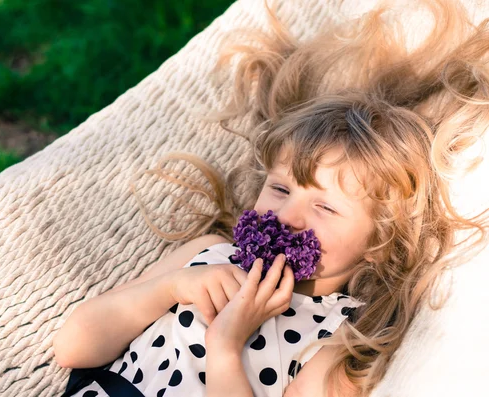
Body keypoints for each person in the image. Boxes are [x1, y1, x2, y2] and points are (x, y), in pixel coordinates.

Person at [53, 0, 489, 396]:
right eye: (279, 188)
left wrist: (226, 346)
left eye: (325, 207)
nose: (288, 215)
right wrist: (170, 287)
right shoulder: (209, 254)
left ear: (378, 241)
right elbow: (73, 347)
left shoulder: (339, 340)